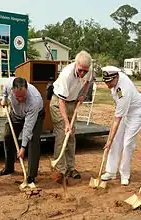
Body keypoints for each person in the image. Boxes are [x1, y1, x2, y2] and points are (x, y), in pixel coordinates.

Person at [50, 50, 93, 183]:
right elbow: (61, 102)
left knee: (71, 136)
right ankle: (60, 169)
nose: (82, 74)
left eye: (85, 71)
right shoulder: (66, 74)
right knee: (63, 134)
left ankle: (71, 167)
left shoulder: (88, 70)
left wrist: (83, 95)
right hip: (58, 103)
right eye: (80, 70)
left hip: (72, 103)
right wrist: (66, 123)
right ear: (76, 64)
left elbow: (88, 82)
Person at [100, 66, 141, 185]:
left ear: (116, 77)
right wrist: (112, 140)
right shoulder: (114, 82)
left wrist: (108, 140)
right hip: (124, 112)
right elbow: (118, 113)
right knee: (116, 140)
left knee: (127, 143)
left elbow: (117, 119)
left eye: (110, 82)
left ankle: (125, 174)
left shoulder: (123, 90)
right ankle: (110, 172)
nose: (108, 84)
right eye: (106, 82)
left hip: (136, 114)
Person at [0, 77, 45, 185]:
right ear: (13, 90)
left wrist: (23, 147)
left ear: (27, 89)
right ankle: (9, 167)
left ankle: (31, 176)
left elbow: (28, 127)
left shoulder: (34, 100)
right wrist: (4, 99)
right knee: (8, 136)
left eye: (24, 96)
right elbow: (5, 90)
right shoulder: (9, 84)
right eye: (18, 97)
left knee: (33, 141)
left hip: (35, 116)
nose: (21, 99)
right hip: (16, 114)